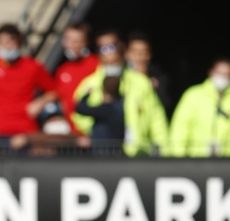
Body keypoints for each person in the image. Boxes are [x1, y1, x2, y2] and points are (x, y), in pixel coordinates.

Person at [72, 29, 168, 157]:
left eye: (113, 46)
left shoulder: (140, 82)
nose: (110, 52)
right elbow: (78, 115)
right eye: (104, 48)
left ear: (122, 47)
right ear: (98, 53)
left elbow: (157, 119)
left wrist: (165, 152)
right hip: (104, 154)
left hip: (137, 154)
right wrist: (100, 132)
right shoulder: (89, 85)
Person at [0, 23, 58, 153]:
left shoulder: (33, 66)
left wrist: (40, 102)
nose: (6, 47)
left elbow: (54, 92)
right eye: (2, 42)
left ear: (19, 43)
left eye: (10, 42)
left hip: (26, 133)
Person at [167, 58, 230, 157]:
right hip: (197, 161)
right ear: (211, 72)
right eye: (219, 73)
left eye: (227, 74)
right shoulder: (193, 95)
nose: (222, 77)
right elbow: (180, 129)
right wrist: (177, 158)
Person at [52, 22, 99, 134]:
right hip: (71, 133)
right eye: (68, 40)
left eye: (76, 41)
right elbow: (61, 100)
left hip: (93, 131)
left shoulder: (97, 66)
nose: (72, 45)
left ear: (86, 42)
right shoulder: (62, 70)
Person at [124, 31, 173, 117]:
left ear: (150, 55)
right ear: (127, 54)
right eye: (135, 52)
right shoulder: (120, 76)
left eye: (144, 52)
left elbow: (165, 106)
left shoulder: (159, 77)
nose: (140, 57)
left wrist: (153, 87)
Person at [75, 75, 125, 155]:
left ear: (103, 90)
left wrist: (87, 94)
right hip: (117, 150)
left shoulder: (106, 109)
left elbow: (80, 109)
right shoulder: (121, 106)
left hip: (103, 151)